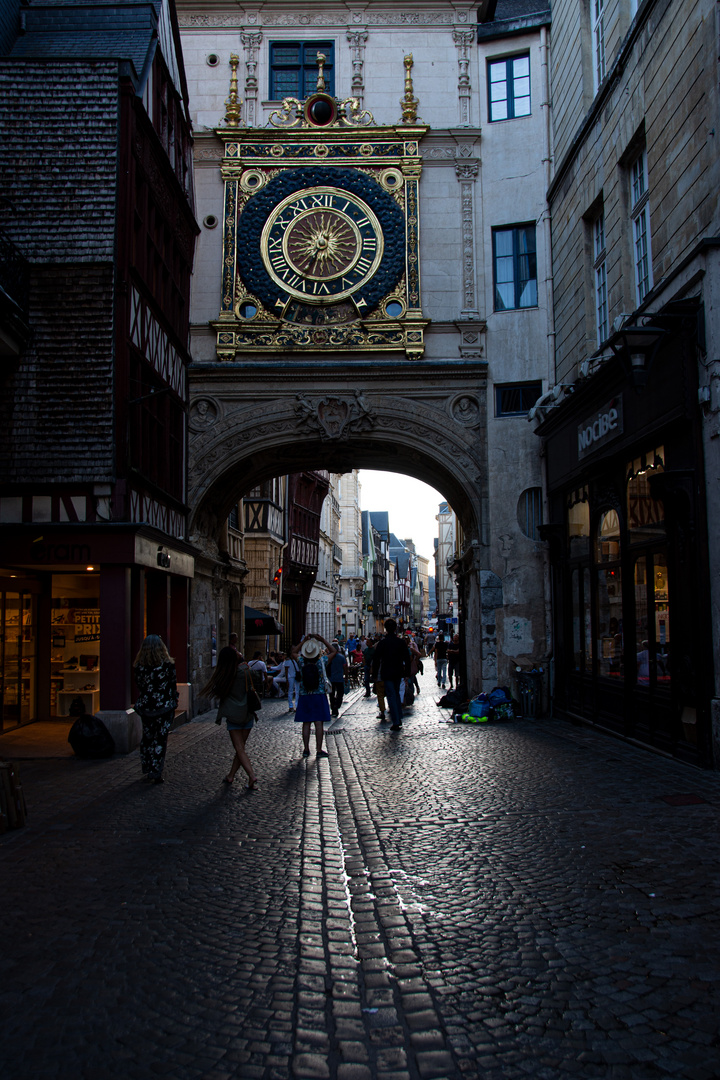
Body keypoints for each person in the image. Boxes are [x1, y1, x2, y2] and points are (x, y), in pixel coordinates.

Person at [201, 646, 257, 788]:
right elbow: (257, 681)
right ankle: (231, 775)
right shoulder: (245, 671)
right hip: (247, 713)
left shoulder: (225, 675)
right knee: (241, 748)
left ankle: (251, 776)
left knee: (239, 748)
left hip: (233, 715)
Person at [133, 634, 179, 784]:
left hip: (146, 706)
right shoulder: (167, 665)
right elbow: (172, 685)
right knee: (160, 738)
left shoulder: (139, 667)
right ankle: (156, 770)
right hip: (163, 706)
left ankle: (146, 765)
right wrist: (174, 701)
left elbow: (139, 685)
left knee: (147, 737)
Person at [291, 633, 337, 757]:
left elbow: (293, 653)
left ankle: (306, 749)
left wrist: (303, 642)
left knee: (306, 723)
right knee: (318, 724)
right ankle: (318, 749)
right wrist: (322, 640)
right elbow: (334, 651)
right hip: (319, 694)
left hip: (305, 695)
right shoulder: (322, 661)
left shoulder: (301, 662)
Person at [371, 618, 410, 731]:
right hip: (398, 672)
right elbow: (406, 658)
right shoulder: (401, 642)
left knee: (391, 696)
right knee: (396, 694)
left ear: (386, 629)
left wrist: (374, 674)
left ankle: (396, 720)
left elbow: (377, 659)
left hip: (387, 673)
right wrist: (407, 673)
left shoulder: (382, 643)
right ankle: (399, 717)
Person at [327, 646, 348, 717]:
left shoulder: (328, 657)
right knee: (340, 694)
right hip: (339, 678)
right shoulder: (341, 657)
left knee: (331, 695)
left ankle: (333, 708)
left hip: (330, 679)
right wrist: (346, 677)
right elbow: (345, 667)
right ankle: (337, 706)